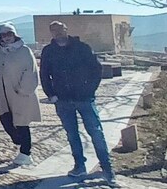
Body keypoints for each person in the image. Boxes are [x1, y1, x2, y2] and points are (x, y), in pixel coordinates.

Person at [40, 21, 113, 184]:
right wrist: (51, 94)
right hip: (63, 100)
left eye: (60, 29)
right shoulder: (48, 51)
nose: (57, 32)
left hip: (84, 98)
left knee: (96, 132)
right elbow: (44, 74)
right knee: (72, 135)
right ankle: (79, 166)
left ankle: (107, 169)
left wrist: (90, 89)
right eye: (54, 30)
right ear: (51, 33)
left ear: (66, 30)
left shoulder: (82, 47)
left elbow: (96, 69)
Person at [0, 23, 40, 166]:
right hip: (4, 94)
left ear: (14, 35)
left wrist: (24, 90)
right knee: (6, 120)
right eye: (3, 35)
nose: (6, 37)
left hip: (20, 94)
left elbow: (31, 71)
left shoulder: (24, 51)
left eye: (9, 34)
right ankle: (19, 142)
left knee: (22, 123)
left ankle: (26, 152)